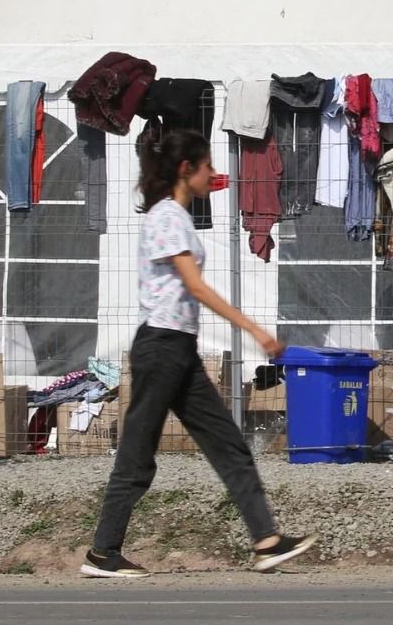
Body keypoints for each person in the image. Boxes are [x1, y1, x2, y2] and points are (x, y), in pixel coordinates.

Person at [83, 129, 315, 578]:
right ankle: (102, 551)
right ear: (186, 169)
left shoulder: (177, 215)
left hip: (178, 349)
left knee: (228, 444)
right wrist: (254, 331)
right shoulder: (168, 216)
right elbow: (194, 286)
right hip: (160, 348)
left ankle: (266, 541)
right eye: (206, 166)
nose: (212, 173)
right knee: (137, 454)